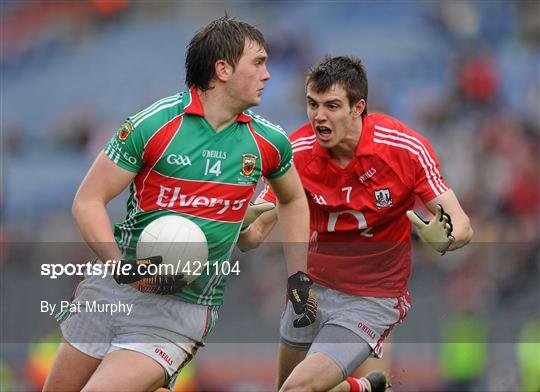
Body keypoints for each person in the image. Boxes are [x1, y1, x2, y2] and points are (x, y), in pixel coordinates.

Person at [43, 17, 317, 391]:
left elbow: (294, 200)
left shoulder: (269, 142)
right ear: (223, 68)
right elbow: (87, 201)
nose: (267, 74)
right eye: (258, 63)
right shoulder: (154, 124)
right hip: (112, 290)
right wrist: (120, 268)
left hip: (181, 309)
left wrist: (296, 277)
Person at [238, 55, 473, 392]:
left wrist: (446, 239)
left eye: (332, 106)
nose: (319, 116)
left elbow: (463, 225)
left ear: (357, 107)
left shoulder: (403, 149)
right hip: (309, 292)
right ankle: (357, 388)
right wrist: (235, 223)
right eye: (312, 104)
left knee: (297, 389)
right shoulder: (295, 153)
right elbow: (254, 235)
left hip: (371, 298)